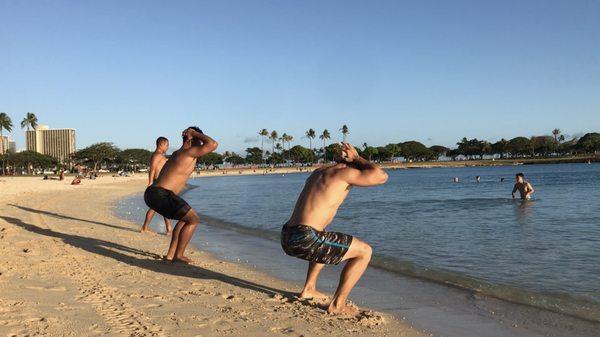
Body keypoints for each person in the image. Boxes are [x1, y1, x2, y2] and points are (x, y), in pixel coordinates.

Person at [280, 143, 388, 316]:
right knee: (365, 252)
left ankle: (309, 289)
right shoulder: (344, 173)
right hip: (306, 238)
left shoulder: (319, 172)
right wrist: (358, 158)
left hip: (287, 235)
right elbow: (381, 176)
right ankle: (338, 304)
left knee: (324, 237)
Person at [144, 127, 218, 264]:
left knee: (185, 218)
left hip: (154, 193)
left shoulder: (179, 153)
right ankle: (179, 255)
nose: (201, 144)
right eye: (199, 140)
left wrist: (194, 135)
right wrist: (194, 133)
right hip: (160, 194)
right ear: (191, 139)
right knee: (194, 219)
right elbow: (213, 144)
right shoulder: (189, 152)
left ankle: (171, 255)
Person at [140, 137, 173, 234]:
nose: (168, 147)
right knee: (157, 206)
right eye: (167, 145)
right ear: (161, 144)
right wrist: (150, 182)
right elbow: (152, 169)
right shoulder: (157, 155)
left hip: (161, 183)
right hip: (158, 183)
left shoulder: (159, 155)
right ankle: (145, 228)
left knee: (163, 206)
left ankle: (168, 228)